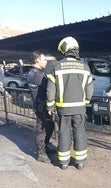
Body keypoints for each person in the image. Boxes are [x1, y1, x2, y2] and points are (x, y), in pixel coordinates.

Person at [46, 36, 94, 170]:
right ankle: (80, 162)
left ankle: (64, 163)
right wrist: (85, 102)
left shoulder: (56, 67)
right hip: (79, 108)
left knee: (64, 133)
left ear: (65, 50)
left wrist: (50, 106)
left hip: (63, 109)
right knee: (80, 132)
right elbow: (89, 89)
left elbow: (50, 89)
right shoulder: (85, 67)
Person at [28, 51, 55, 163]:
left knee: (49, 126)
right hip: (41, 106)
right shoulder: (37, 74)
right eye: (44, 59)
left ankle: (46, 145)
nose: (46, 61)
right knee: (42, 128)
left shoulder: (34, 72)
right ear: (37, 60)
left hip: (41, 105)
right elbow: (48, 87)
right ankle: (41, 153)